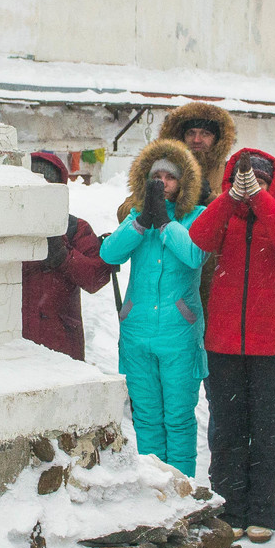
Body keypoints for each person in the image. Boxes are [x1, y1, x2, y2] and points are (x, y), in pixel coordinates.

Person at [189, 145, 275, 541]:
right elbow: (200, 236)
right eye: (250, 181)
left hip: (273, 347)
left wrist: (259, 198)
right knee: (227, 428)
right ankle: (229, 507)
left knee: (267, 429)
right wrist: (230, 199)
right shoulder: (224, 220)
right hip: (223, 343)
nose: (257, 187)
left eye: (266, 182)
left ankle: (262, 512)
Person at [99, 137, 207, 474]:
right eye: (156, 176)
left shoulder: (196, 217)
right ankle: (154, 489)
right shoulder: (136, 217)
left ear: (182, 183)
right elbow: (109, 254)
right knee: (146, 417)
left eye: (170, 177)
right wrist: (143, 221)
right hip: (137, 333)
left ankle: (182, 491)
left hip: (179, 335)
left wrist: (165, 223)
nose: (162, 183)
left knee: (177, 417)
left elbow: (193, 255)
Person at [22, 151, 112, 360]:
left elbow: (96, 278)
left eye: (48, 185)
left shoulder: (75, 228)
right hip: (18, 341)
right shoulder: (7, 227)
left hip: (61, 341)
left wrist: (64, 257)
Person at [164, 100, 235, 205]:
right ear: (182, 137)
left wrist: (209, 196)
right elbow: (133, 207)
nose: (196, 140)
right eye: (191, 133)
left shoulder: (230, 172)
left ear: (217, 139)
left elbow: (238, 213)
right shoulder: (164, 169)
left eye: (205, 134)